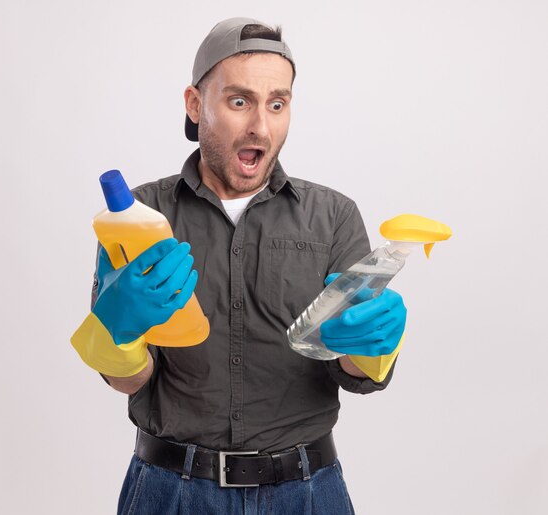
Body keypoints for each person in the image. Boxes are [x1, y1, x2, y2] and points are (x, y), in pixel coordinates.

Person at [71, 17, 407, 515]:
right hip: (171, 491)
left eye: (278, 103)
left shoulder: (333, 215)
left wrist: (372, 344)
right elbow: (130, 380)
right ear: (194, 104)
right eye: (239, 101)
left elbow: (354, 375)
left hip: (308, 494)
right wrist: (117, 331)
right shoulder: (140, 216)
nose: (261, 127)